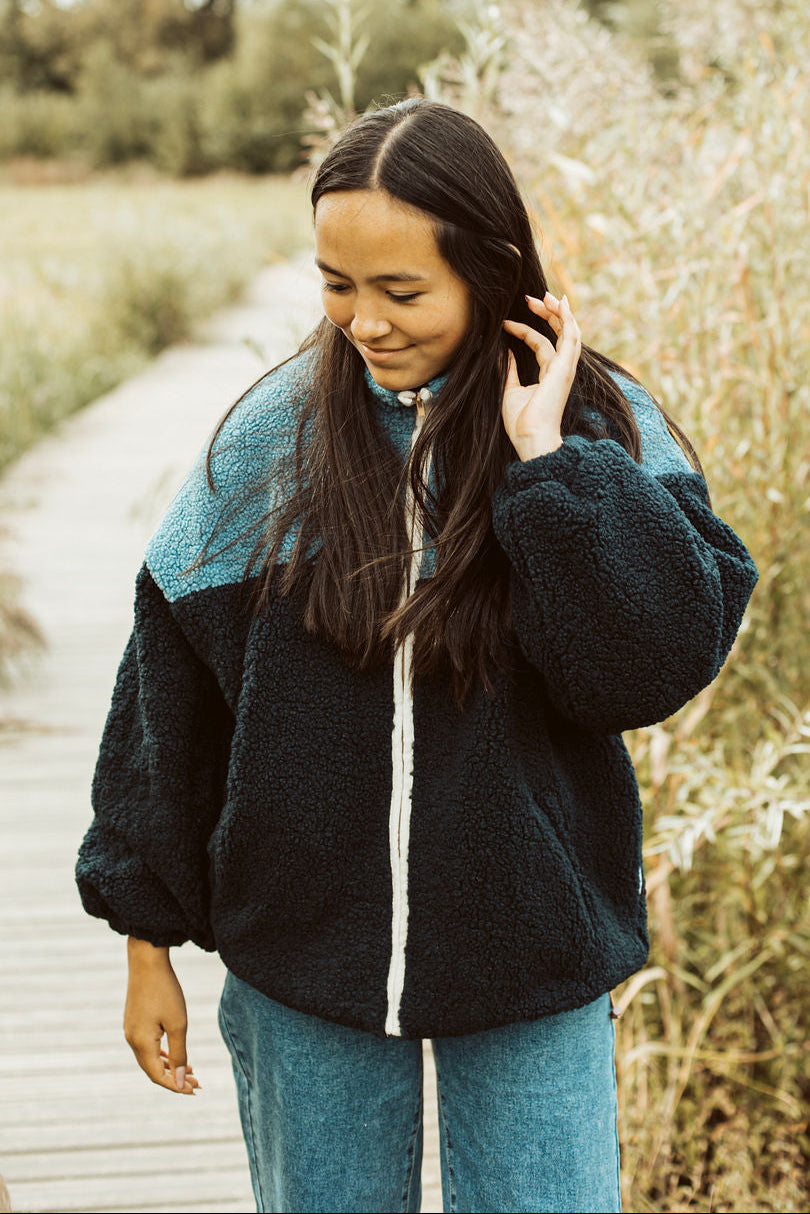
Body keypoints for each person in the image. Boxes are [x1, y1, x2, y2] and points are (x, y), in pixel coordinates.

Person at [76, 98, 758, 1214]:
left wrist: (547, 469)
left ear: (492, 274)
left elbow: (649, 667)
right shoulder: (270, 438)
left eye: (402, 292)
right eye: (337, 284)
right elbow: (168, 695)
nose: (363, 322)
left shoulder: (603, 428)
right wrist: (146, 932)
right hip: (302, 954)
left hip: (536, 945)